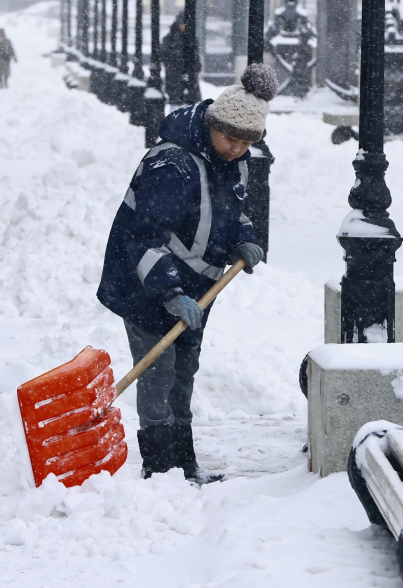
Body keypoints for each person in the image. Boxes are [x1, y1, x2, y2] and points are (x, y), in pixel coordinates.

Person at [96, 64, 278, 484]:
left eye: (246, 142)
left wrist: (245, 238)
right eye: (230, 138)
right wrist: (170, 292)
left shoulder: (232, 161)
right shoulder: (172, 164)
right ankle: (160, 469)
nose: (236, 149)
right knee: (158, 372)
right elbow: (143, 239)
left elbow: (230, 213)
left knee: (183, 372)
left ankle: (184, 464)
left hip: (197, 290)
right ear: (213, 125)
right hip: (143, 285)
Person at [160, 12, 202, 106]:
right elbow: (165, 57)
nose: (184, 26)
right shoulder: (170, 39)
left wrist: (194, 67)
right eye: (182, 23)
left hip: (187, 76)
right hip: (175, 76)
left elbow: (195, 56)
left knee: (191, 104)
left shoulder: (191, 39)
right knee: (176, 103)